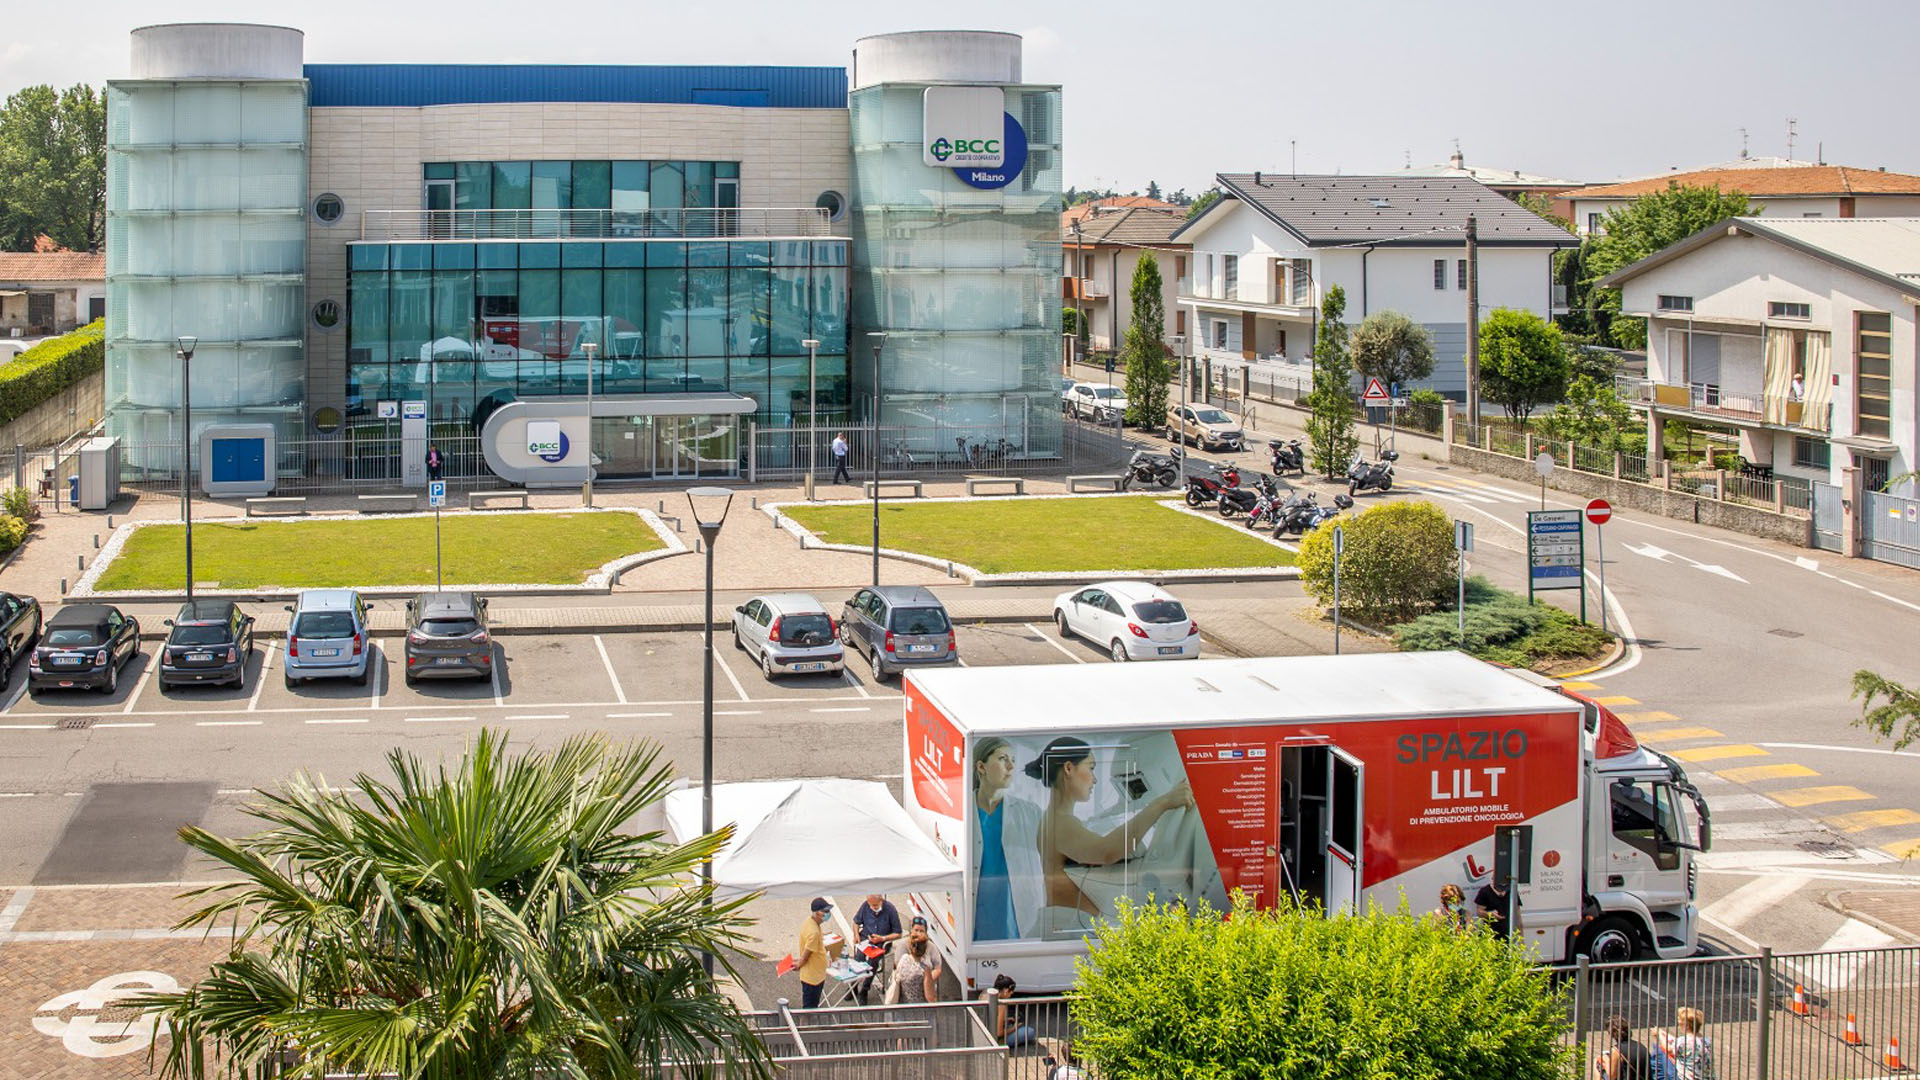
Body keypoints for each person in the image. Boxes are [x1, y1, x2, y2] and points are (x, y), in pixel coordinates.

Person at [1029, 736, 1194, 936]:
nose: (1095, 779)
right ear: (1069, 769)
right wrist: (1162, 803)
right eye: (1090, 768)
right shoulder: (1060, 822)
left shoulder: (1057, 820)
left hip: (1070, 924)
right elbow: (1108, 851)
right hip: (1067, 928)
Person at [973, 737, 1021, 940]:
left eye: (1013, 760)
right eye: (1003, 759)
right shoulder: (965, 810)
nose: (1011, 767)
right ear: (981, 767)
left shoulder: (1026, 811)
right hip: (977, 900)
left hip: (1009, 903)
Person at [851, 894, 902, 1005]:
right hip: (866, 938)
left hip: (881, 942)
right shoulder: (865, 906)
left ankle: (864, 990)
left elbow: (898, 933)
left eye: (876, 905)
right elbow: (855, 922)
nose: (873, 907)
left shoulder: (890, 909)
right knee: (858, 958)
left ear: (881, 901)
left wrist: (882, 938)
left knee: (872, 962)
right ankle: (853, 986)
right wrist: (856, 935)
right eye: (871, 905)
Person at [981, 973, 1035, 1049]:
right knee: (1030, 1032)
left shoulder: (984, 994)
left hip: (982, 1033)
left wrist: (1006, 1020)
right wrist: (1015, 1027)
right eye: (1011, 992)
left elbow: (991, 1017)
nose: (1011, 994)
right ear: (1006, 990)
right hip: (995, 1040)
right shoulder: (1001, 1005)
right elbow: (999, 1033)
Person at [795, 897, 831, 1009]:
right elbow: (807, 954)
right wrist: (798, 964)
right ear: (816, 913)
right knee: (809, 1008)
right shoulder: (814, 932)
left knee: (811, 1005)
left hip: (815, 974)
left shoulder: (810, 923)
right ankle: (806, 1026)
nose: (827, 914)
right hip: (813, 977)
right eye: (824, 911)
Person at [1597, 1014, 1655, 1080]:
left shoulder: (1616, 1051)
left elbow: (1611, 1076)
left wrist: (1606, 1061)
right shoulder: (1641, 1046)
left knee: (1597, 1064)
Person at [1664, 1006, 1715, 1080]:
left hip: (1687, 1077)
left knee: (1660, 1050)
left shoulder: (1682, 1041)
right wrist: (1665, 1035)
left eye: (1680, 1023)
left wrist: (1659, 1035)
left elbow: (1669, 1049)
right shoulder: (1707, 1040)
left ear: (1686, 1026)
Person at [884, 936, 936, 1004]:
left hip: (902, 1009)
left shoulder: (903, 959)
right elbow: (930, 997)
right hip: (919, 1011)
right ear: (925, 950)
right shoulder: (925, 969)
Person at [905, 915, 943, 999]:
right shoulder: (903, 945)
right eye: (916, 930)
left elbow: (938, 968)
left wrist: (927, 980)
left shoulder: (932, 947)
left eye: (921, 931)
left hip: (927, 985)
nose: (918, 933)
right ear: (911, 931)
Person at [1474, 877, 1520, 942]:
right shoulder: (1485, 891)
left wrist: (1520, 936)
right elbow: (1479, 912)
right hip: (1490, 934)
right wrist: (1490, 914)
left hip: (1508, 934)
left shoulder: (1512, 891)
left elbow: (1518, 914)